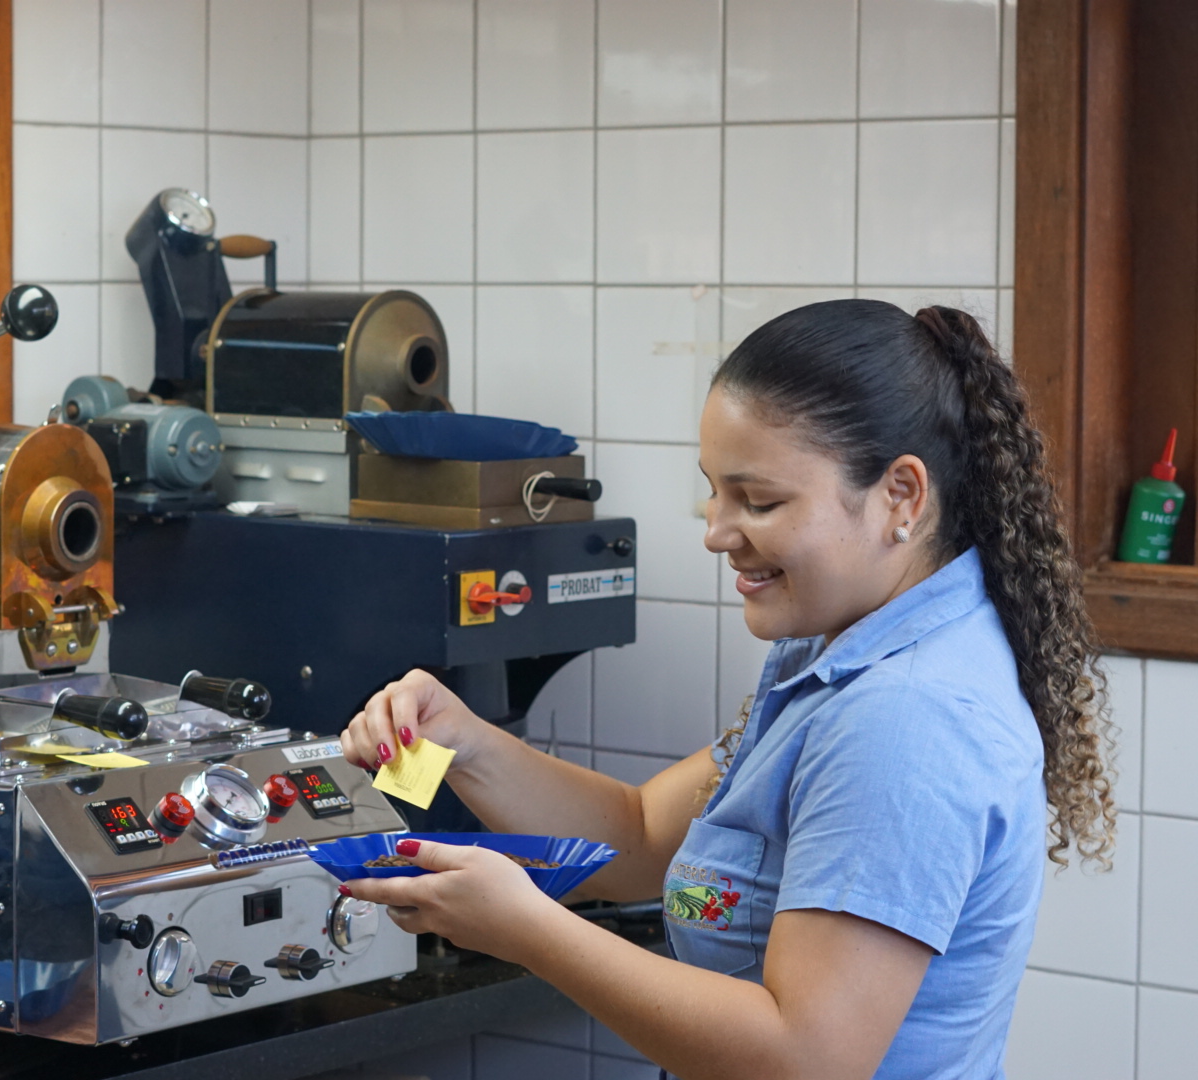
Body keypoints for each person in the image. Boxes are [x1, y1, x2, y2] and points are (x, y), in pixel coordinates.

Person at [339, 300, 1115, 1080]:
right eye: (714, 490)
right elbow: (639, 838)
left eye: (761, 500)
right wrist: (464, 746)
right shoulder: (840, 646)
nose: (716, 529)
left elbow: (805, 1057)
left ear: (901, 498)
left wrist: (529, 929)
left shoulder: (906, 719)